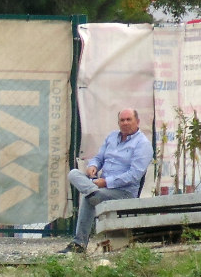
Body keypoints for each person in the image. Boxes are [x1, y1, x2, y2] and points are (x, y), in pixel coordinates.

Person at [60, 109, 152, 254]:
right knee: (73, 174)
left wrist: (107, 182)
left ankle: (79, 243)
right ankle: (93, 192)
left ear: (137, 122)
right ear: (118, 122)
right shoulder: (112, 137)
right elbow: (99, 158)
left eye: (129, 119)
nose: (125, 123)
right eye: (122, 120)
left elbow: (134, 175)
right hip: (100, 185)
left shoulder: (143, 144)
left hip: (123, 192)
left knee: (89, 198)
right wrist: (93, 166)